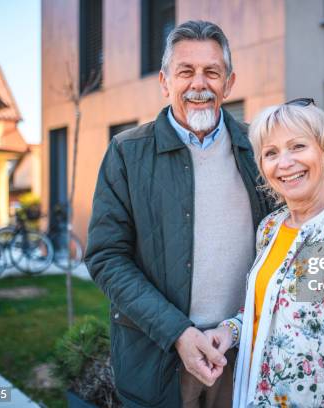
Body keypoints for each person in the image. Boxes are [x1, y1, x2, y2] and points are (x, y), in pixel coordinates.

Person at [84, 20, 271, 408]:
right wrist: (179, 333)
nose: (199, 84)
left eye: (212, 72)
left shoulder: (260, 150)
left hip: (243, 353)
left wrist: (236, 330)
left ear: (229, 83)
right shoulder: (126, 153)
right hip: (159, 353)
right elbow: (106, 257)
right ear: (165, 81)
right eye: (185, 72)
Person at [206, 100, 324, 407]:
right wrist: (230, 331)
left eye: (298, 146)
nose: (285, 162)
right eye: (271, 153)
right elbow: (269, 307)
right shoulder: (270, 227)